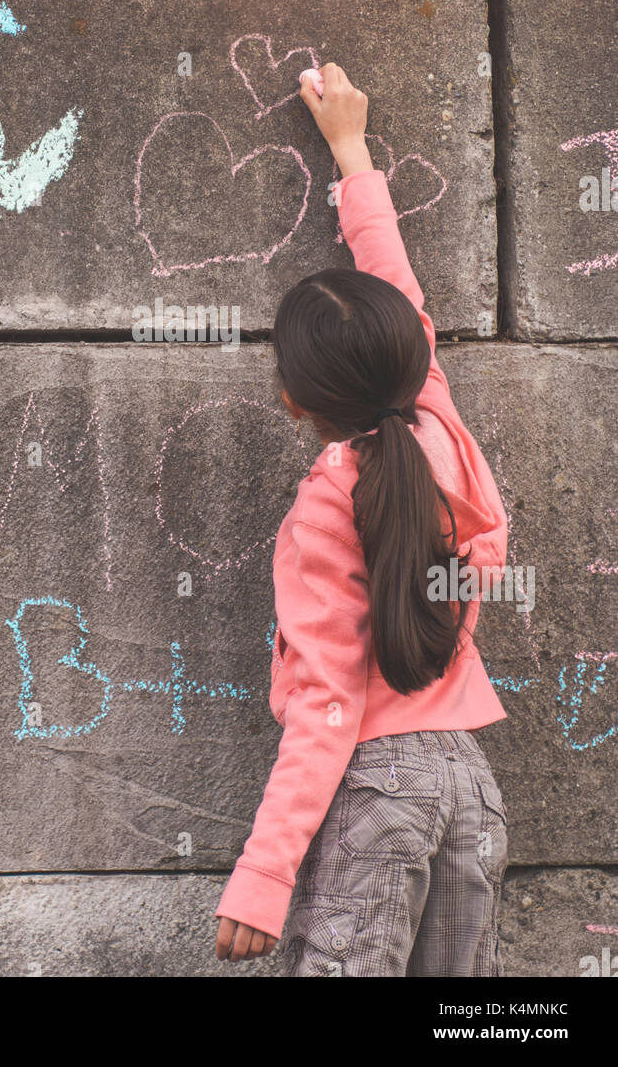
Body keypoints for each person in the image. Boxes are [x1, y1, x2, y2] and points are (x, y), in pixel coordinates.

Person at [214, 62, 510, 976]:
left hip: (376, 784)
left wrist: (263, 876)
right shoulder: (438, 428)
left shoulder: (328, 502)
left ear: (294, 400)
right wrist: (351, 148)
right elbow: (395, 284)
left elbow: (328, 698)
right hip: (468, 786)